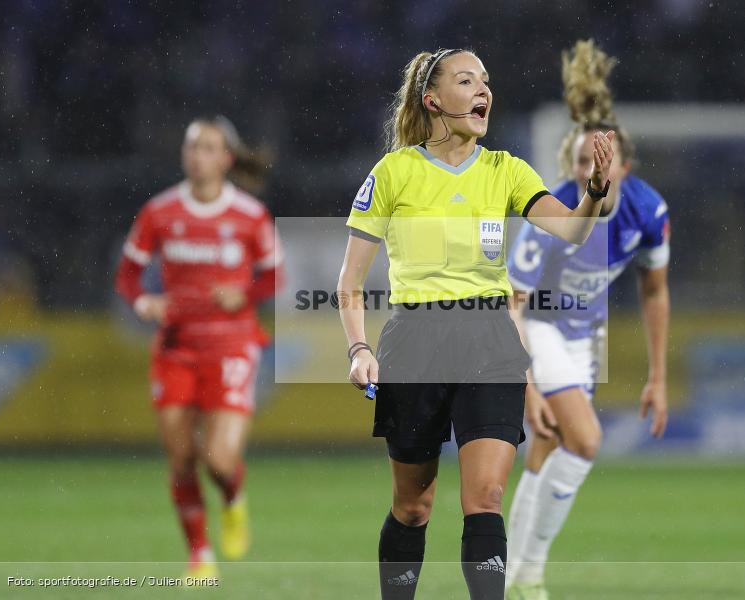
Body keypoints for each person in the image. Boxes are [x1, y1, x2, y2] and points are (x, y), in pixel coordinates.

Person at [337, 47, 615, 600]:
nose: (484, 90)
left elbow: (573, 232)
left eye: (486, 81)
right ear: (433, 99)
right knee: (413, 506)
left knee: (484, 497)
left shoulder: (505, 169)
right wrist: (359, 350)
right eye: (468, 81)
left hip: (489, 339)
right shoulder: (393, 173)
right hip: (415, 341)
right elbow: (350, 280)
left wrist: (594, 194)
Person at [503, 40, 671, 600]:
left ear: (623, 165)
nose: (587, 171)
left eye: (596, 161)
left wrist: (658, 377)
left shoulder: (647, 211)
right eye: (578, 163)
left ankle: (510, 578)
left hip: (582, 335)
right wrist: (526, 385)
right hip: (539, 329)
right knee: (586, 439)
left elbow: (654, 290)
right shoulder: (551, 215)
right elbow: (514, 306)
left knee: (545, 452)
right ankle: (530, 575)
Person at [114, 116, 283, 579]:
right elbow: (128, 275)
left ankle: (233, 498)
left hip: (231, 347)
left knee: (220, 459)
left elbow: (273, 275)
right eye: (191, 147)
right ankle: (200, 554)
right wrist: (143, 300)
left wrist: (244, 295)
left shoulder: (249, 215)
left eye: (208, 148)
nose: (197, 156)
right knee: (182, 457)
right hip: (175, 348)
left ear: (227, 158)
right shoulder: (160, 212)